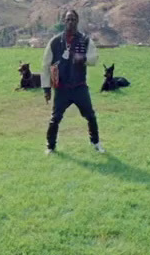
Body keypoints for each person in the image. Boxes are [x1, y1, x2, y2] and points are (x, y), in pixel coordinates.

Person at [43, 8, 104, 155]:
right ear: (64, 21)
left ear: (77, 21)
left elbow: (94, 58)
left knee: (90, 115)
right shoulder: (56, 41)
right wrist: (46, 88)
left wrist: (82, 59)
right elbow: (46, 64)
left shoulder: (85, 40)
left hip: (79, 87)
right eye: (68, 19)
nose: (70, 21)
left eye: (73, 19)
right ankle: (50, 147)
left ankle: (96, 143)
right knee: (55, 118)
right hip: (62, 88)